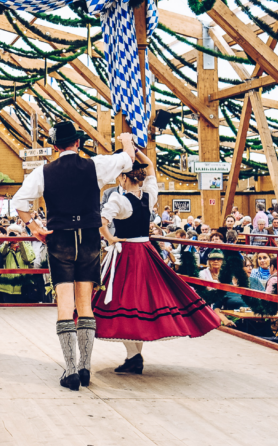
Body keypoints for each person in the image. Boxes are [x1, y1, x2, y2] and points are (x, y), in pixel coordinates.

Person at [11, 121, 137, 391]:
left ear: (55, 147)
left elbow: (19, 202)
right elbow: (128, 160)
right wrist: (126, 139)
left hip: (61, 238)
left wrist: (35, 228)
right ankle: (85, 368)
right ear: (77, 143)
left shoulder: (43, 172)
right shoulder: (96, 165)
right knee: (86, 305)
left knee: (65, 306)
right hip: (90, 237)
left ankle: (70, 370)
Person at [93, 152, 220, 375]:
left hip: (127, 253)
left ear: (123, 178)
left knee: (124, 302)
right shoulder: (148, 196)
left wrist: (111, 238)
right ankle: (134, 357)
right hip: (146, 252)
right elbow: (151, 166)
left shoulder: (119, 199)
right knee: (142, 301)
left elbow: (101, 222)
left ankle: (134, 357)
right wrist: (136, 149)